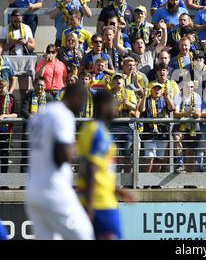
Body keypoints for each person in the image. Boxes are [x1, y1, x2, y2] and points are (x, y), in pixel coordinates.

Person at [26, 82, 94, 240]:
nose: (82, 107)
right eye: (82, 101)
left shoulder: (43, 113)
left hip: (33, 190)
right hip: (54, 190)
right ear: (76, 97)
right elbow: (63, 154)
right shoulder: (63, 115)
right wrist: (84, 149)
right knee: (85, 235)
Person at [77, 90, 137, 240]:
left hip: (99, 199)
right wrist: (90, 209)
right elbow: (91, 169)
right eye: (113, 104)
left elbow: (95, 170)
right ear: (104, 106)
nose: (115, 108)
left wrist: (117, 190)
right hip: (100, 204)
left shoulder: (90, 129)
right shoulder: (99, 132)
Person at [173, 81, 202, 173]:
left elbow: (199, 114)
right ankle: (180, 162)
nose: (190, 89)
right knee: (177, 138)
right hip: (180, 124)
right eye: (188, 87)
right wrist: (188, 113)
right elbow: (176, 114)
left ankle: (190, 178)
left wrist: (195, 113)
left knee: (192, 152)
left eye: (192, 87)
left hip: (193, 127)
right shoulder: (178, 96)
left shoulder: (197, 96)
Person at [0, 78, 19, 174]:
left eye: (2, 87)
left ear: (7, 87)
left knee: (4, 156)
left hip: (7, 131)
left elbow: (16, 114)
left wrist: (4, 116)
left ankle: (3, 182)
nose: (1, 89)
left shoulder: (11, 98)